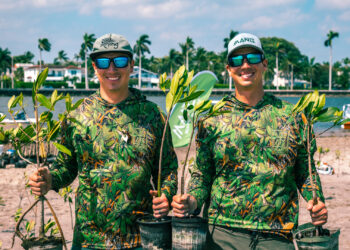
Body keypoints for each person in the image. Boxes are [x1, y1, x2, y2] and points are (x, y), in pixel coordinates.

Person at [171, 33, 328, 249]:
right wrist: (192, 201)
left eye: (252, 58)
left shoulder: (293, 116)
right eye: (237, 60)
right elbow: (203, 175)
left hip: (277, 235)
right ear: (228, 69)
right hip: (221, 233)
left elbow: (305, 172)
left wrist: (317, 201)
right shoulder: (211, 117)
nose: (245, 65)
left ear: (264, 64)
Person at [29, 33, 178, 249]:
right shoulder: (76, 116)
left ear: (131, 65)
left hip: (142, 237)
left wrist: (166, 195)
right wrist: (49, 180)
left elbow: (169, 170)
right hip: (89, 239)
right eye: (103, 62)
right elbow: (66, 169)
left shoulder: (153, 114)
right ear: (94, 67)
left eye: (119, 61)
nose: (111, 69)